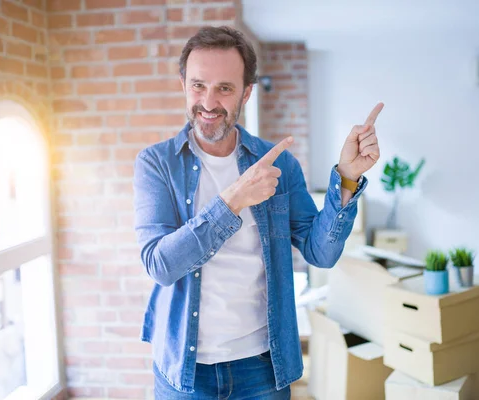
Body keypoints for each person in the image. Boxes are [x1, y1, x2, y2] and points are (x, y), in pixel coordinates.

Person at [133, 25, 383, 399]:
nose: (208, 102)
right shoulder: (157, 164)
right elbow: (160, 265)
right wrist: (231, 201)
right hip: (184, 372)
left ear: (246, 93)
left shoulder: (280, 166)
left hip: (262, 368)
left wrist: (346, 177)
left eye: (225, 88)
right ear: (183, 84)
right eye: (198, 85)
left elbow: (321, 254)